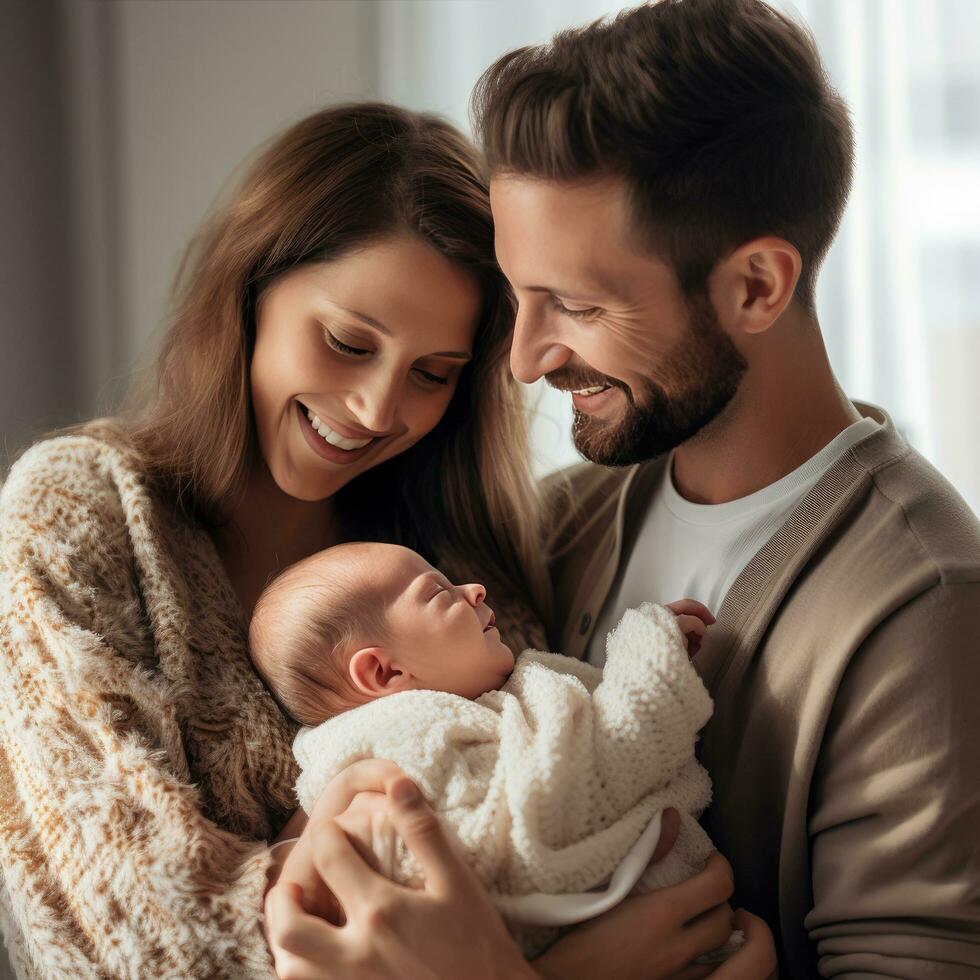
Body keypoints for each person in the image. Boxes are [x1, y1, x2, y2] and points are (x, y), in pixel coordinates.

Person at [0, 102, 748, 979]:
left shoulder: (448, 549)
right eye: (347, 342)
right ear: (248, 292)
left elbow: (544, 825)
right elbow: (140, 928)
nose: (378, 410)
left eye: (433, 374)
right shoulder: (80, 512)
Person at [470, 0, 980, 977]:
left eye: (575, 305)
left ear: (754, 286)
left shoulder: (923, 611)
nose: (525, 357)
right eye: (516, 297)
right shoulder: (558, 525)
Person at [248, 541, 735, 960]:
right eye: (439, 592)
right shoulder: (412, 746)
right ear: (386, 674)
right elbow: (558, 802)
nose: (474, 588)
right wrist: (647, 656)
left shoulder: (468, 720)